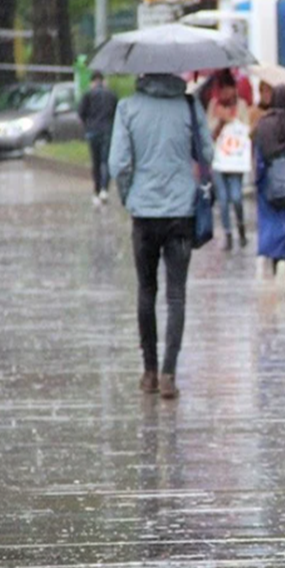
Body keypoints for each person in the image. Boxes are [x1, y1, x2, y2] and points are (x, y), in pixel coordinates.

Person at [109, 73, 213, 400]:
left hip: (145, 214)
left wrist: (130, 196)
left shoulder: (127, 108)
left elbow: (118, 163)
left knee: (146, 291)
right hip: (181, 212)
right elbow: (207, 154)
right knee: (177, 295)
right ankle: (169, 372)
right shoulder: (189, 104)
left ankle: (149, 371)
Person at [253, 84, 285, 295]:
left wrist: (259, 181)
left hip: (269, 186)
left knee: (272, 227)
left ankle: (276, 264)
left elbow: (258, 158)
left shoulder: (263, 125)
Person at [207, 70, 251, 251]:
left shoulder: (241, 106)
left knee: (236, 197)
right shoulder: (214, 105)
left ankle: (241, 228)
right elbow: (208, 131)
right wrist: (220, 121)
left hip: (235, 161)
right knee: (223, 200)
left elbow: (246, 130)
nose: (226, 93)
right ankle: (228, 234)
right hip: (219, 161)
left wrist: (233, 119)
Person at [78, 71, 119, 206]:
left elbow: (81, 113)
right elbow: (116, 113)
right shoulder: (111, 95)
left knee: (95, 162)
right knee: (105, 161)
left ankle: (96, 189)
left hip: (92, 132)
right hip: (107, 131)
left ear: (92, 82)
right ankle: (104, 189)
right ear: (103, 80)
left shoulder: (88, 95)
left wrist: (88, 125)